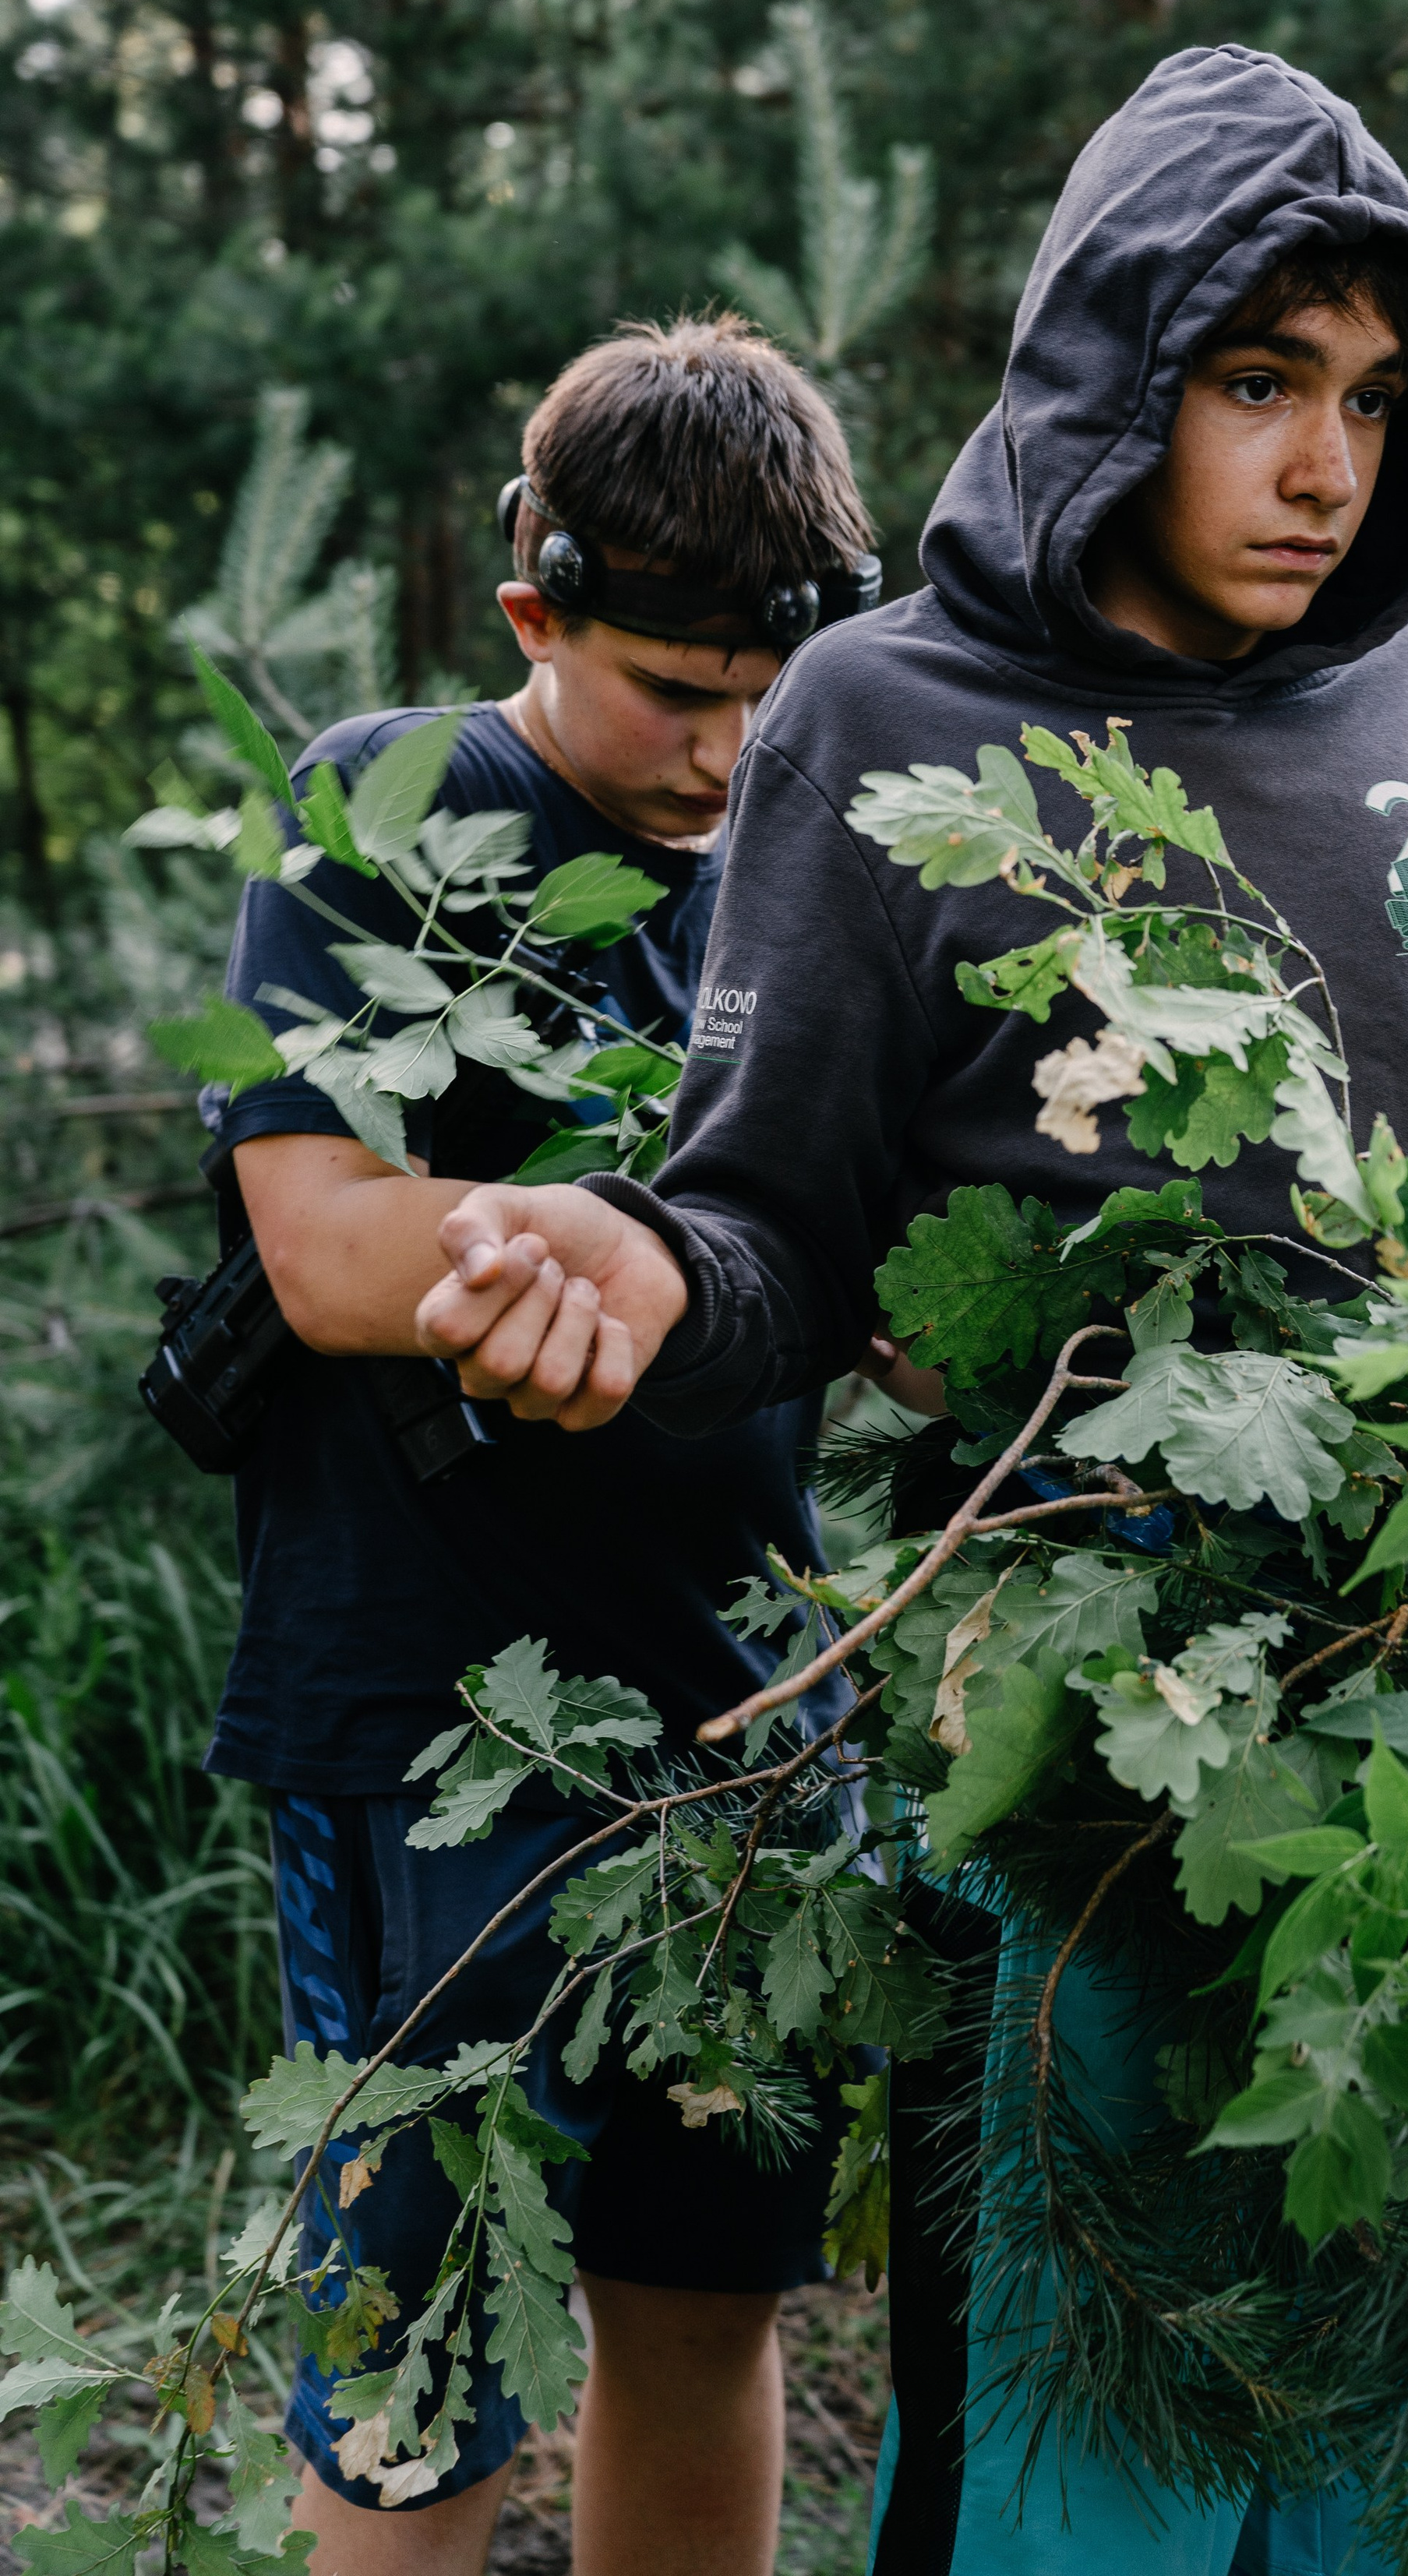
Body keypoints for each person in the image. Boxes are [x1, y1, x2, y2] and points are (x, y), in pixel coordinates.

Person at [403, 52, 1408, 2565]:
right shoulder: (889, 717)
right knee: (1084, 2485)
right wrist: (633, 1262)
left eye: (1375, 399)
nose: (1327, 468)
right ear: (1111, 377)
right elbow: (776, 1245)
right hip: (1080, 1744)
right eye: (1259, 383)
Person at [203, 315, 880, 2576]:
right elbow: (319, 1244)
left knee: (700, 2312)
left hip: (744, 1727)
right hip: (421, 1716)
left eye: (763, 697)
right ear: (534, 615)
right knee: (412, 2370)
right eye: (671, 694)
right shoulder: (386, 812)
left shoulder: (820, 866)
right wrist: (618, 1259)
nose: (723, 750)